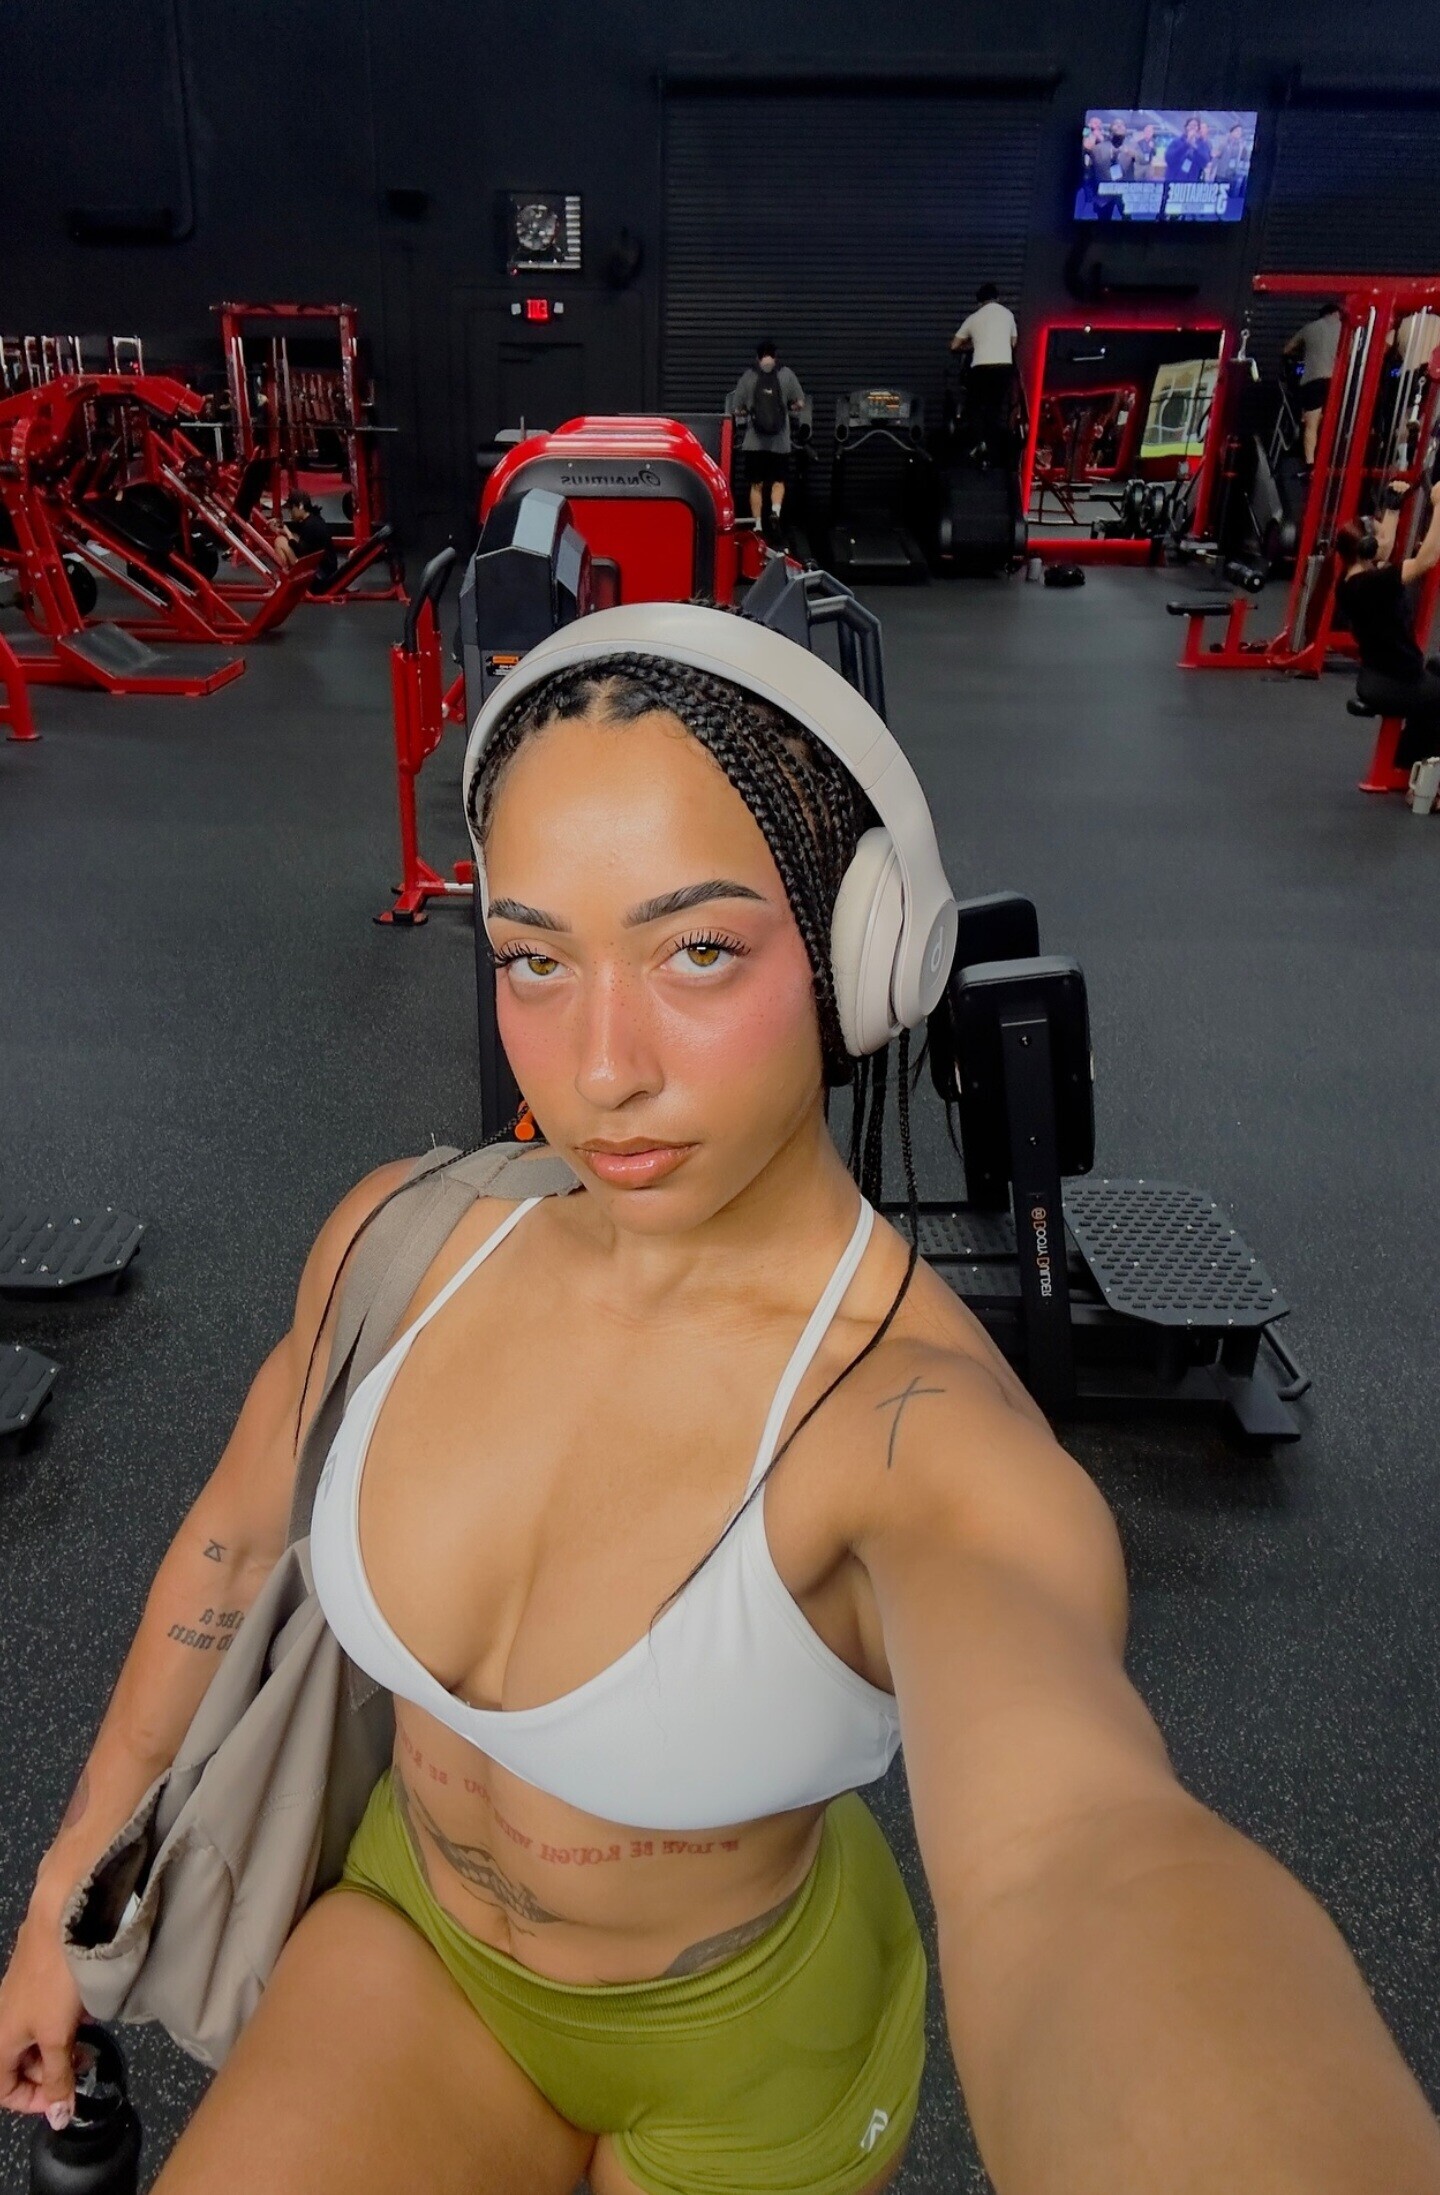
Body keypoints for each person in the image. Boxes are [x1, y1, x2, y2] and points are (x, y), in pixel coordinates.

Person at [5, 607, 1440, 2195]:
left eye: (697, 948)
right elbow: (227, 1547)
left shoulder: (915, 1437)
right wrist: (69, 1879)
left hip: (752, 2049)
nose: (600, 1067)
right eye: (536, 959)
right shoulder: (401, 1247)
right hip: (420, 1931)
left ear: (857, 957)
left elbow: (1079, 1853)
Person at [1336, 479, 1440, 767]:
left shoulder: (1351, 579)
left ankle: (1408, 757)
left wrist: (1393, 508)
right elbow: (1426, 560)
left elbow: (1385, 551)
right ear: (1368, 548)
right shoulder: (1374, 584)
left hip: (1378, 677)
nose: (1386, 537)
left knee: (1436, 666)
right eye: (1380, 534)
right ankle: (1422, 770)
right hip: (1398, 683)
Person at [728, 342, 805, 542]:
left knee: (756, 484)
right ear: (775, 356)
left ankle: (758, 525)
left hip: (754, 442)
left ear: (757, 357)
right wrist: (789, 408)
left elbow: (736, 408)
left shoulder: (748, 376)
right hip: (780, 442)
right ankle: (775, 513)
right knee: (778, 481)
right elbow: (800, 403)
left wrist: (748, 411)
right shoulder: (787, 375)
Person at [950, 283, 1019, 460]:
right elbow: (1013, 343)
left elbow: (954, 345)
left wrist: (972, 345)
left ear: (979, 302)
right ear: (998, 298)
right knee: (994, 408)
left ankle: (978, 443)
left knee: (974, 406)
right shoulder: (1008, 314)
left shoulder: (974, 317)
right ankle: (991, 449)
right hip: (1004, 367)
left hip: (981, 368)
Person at [1282, 302, 1343, 467]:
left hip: (1313, 380)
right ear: (1335, 313)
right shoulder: (1344, 329)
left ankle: (1310, 463)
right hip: (1336, 382)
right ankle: (1330, 461)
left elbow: (1287, 349)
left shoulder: (1309, 328)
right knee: (1334, 422)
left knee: (1311, 424)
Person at [272, 489, 339, 590]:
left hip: (318, 578)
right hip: (325, 572)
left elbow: (300, 552)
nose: (290, 513)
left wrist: (288, 534)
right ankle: (283, 581)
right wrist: (282, 529)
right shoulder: (315, 520)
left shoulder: (310, 526)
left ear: (300, 506)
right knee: (291, 537)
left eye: (292, 509)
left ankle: (282, 583)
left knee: (280, 541)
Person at [1163, 114, 1211, 189]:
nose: (1192, 127)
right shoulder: (1176, 142)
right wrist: (1186, 145)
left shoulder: (1202, 145)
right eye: (1190, 125)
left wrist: (1195, 148)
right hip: (1174, 181)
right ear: (1186, 127)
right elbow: (1168, 159)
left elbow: (1204, 162)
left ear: (1198, 129)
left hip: (1191, 183)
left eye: (1195, 125)